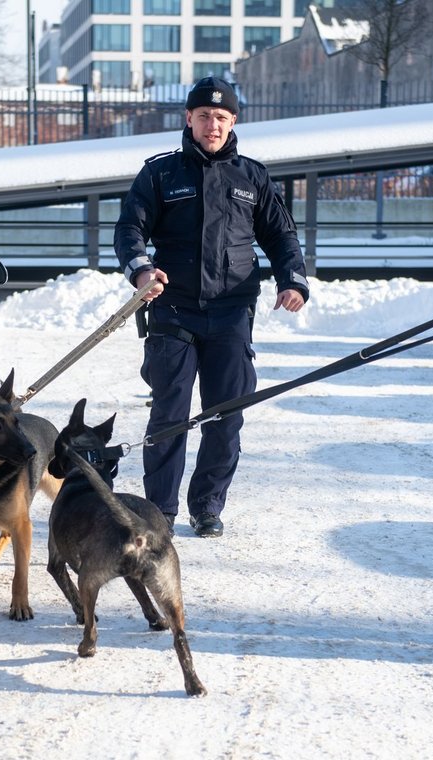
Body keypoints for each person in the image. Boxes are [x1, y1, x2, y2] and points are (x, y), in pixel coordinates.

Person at [114, 76, 309, 538]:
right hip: (173, 311)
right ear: (189, 119)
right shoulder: (160, 173)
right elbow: (129, 229)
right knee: (169, 416)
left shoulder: (253, 176)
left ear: (234, 121)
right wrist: (142, 270)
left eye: (221, 117)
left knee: (226, 415)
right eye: (204, 116)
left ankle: (207, 506)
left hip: (231, 314)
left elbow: (281, 235)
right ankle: (159, 512)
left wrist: (293, 280)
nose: (212, 125)